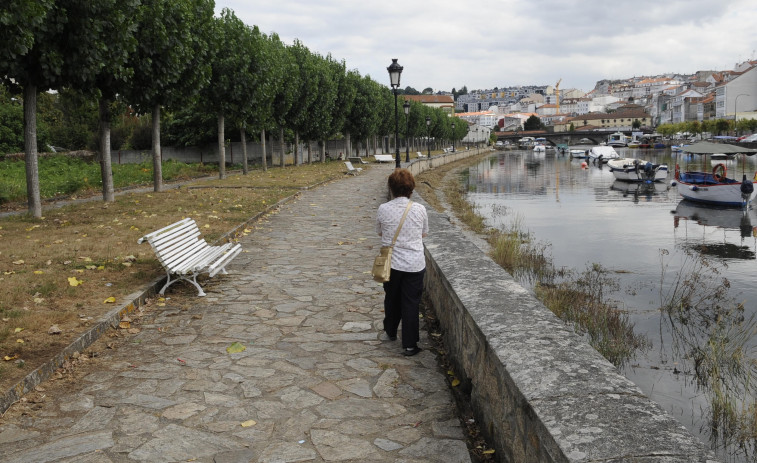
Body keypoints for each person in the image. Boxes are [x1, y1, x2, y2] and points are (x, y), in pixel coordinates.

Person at [375, 169, 429, 356]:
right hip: (414, 263)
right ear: (411, 188)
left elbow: (380, 232)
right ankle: (410, 345)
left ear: (391, 188)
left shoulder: (383, 208)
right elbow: (424, 233)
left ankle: (390, 331)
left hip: (392, 264)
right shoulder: (419, 209)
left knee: (391, 298)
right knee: (411, 303)